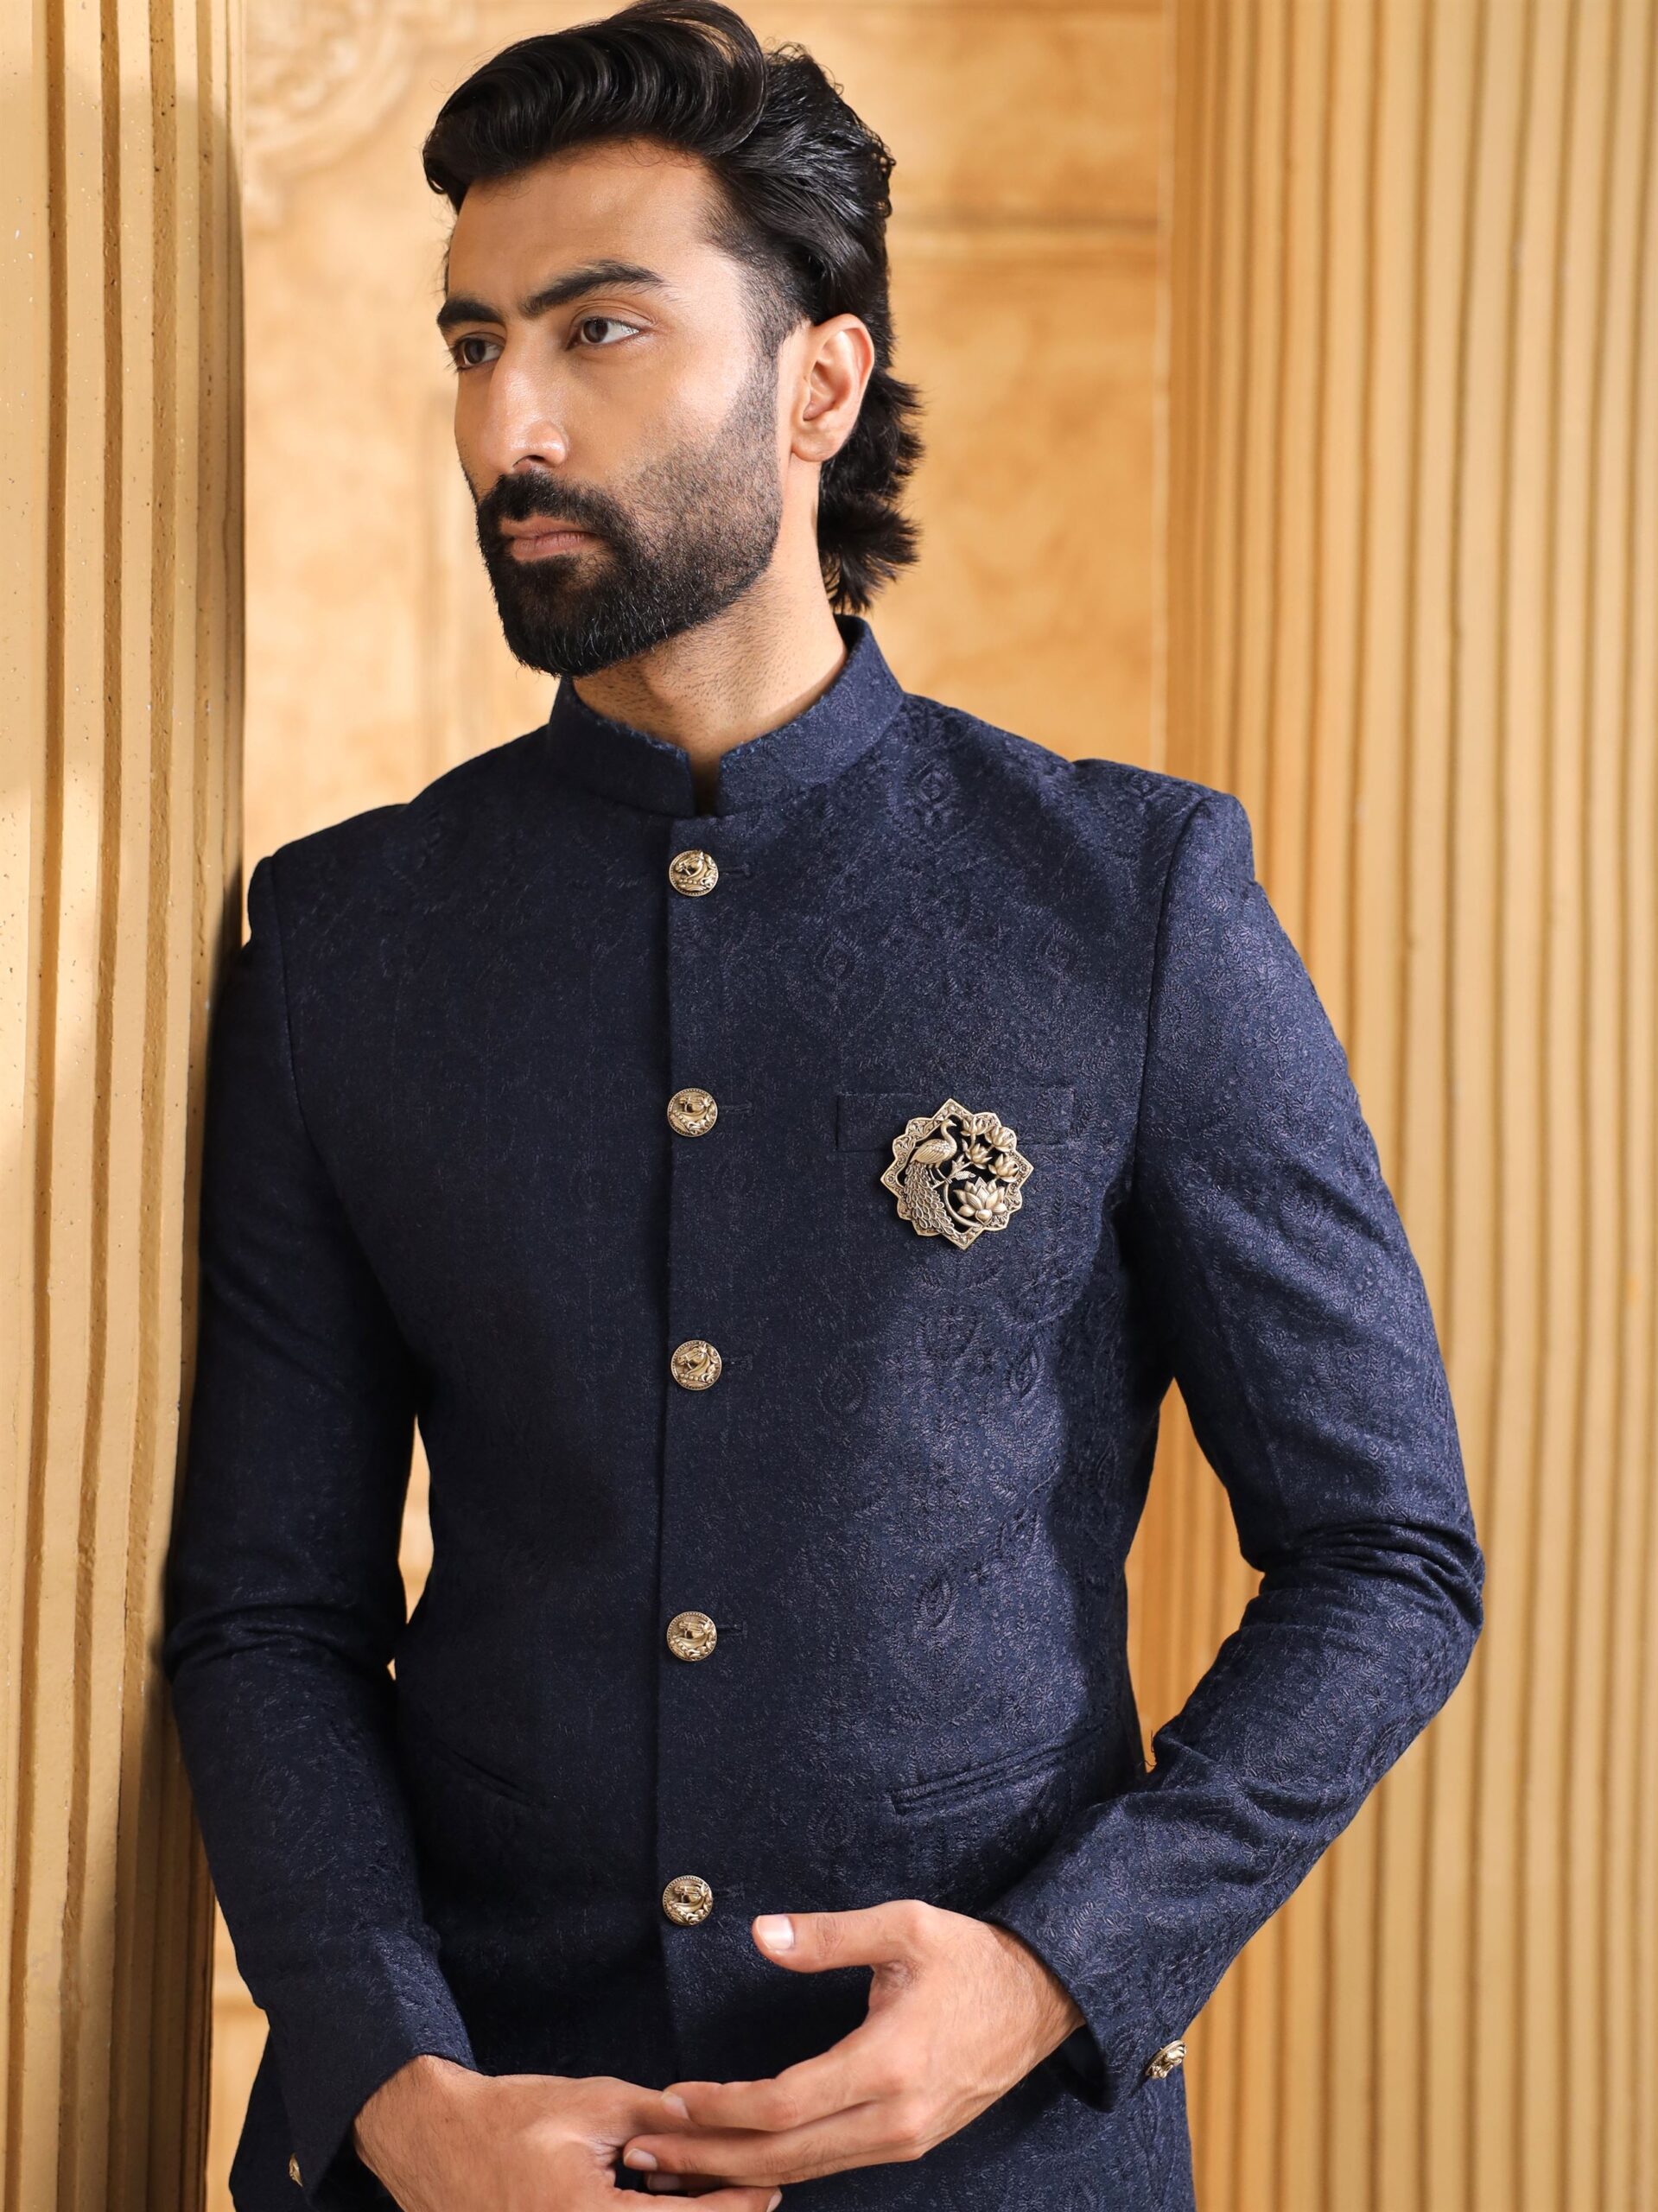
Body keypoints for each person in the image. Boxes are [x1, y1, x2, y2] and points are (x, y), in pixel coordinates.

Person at [160, 3, 1486, 2207]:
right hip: (468, 2140)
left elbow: (1389, 1553)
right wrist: (393, 2080)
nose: (508, 422)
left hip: (991, 2158)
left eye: (597, 331)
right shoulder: (341, 935)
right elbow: (267, 1609)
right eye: (475, 342)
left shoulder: (1128, 895)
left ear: (822, 383)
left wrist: (1058, 1970)